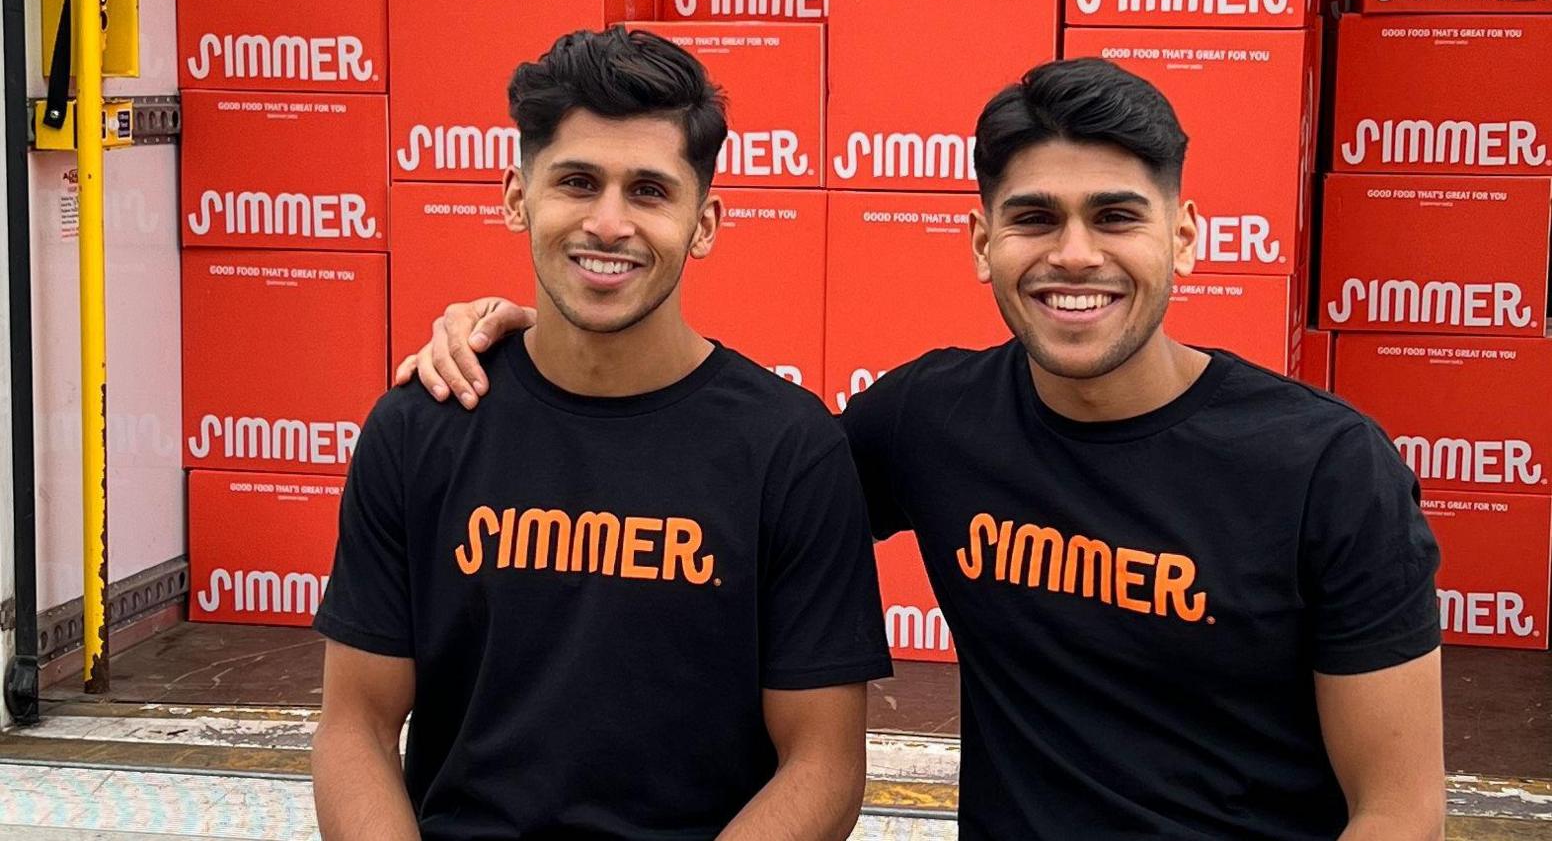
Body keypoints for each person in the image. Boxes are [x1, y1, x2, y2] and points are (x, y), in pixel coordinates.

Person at [407, 57, 1447, 839]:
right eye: (1033, 216)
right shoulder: (930, 420)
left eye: (1116, 216)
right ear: (980, 241)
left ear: (1184, 236)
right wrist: (534, 339)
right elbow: (703, 471)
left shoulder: (1325, 469)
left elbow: (1400, 806)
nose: (1073, 252)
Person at [311, 27, 893, 841]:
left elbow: (824, 765)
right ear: (517, 196)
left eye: (650, 191)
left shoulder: (789, 450)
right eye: (577, 182)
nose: (609, 223)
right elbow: (356, 727)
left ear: (705, 221)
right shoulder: (419, 427)